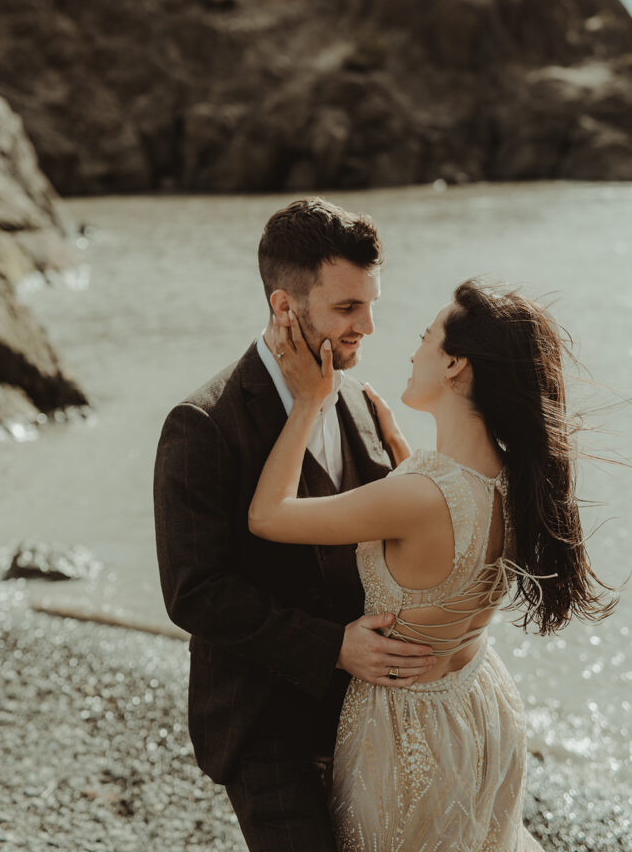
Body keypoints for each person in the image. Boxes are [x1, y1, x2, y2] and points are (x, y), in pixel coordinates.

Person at [249, 279, 617, 851]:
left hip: (409, 730)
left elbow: (269, 516)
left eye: (425, 338)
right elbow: (452, 542)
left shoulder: (419, 494)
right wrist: (403, 455)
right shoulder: (518, 478)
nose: (411, 350)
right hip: (480, 705)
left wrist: (307, 403)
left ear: (453, 364)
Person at [153, 197, 435, 852]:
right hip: (261, 722)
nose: (366, 326)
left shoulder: (364, 402)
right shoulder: (202, 424)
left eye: (370, 305)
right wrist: (331, 645)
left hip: (366, 713)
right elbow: (194, 590)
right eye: (346, 309)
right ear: (285, 307)